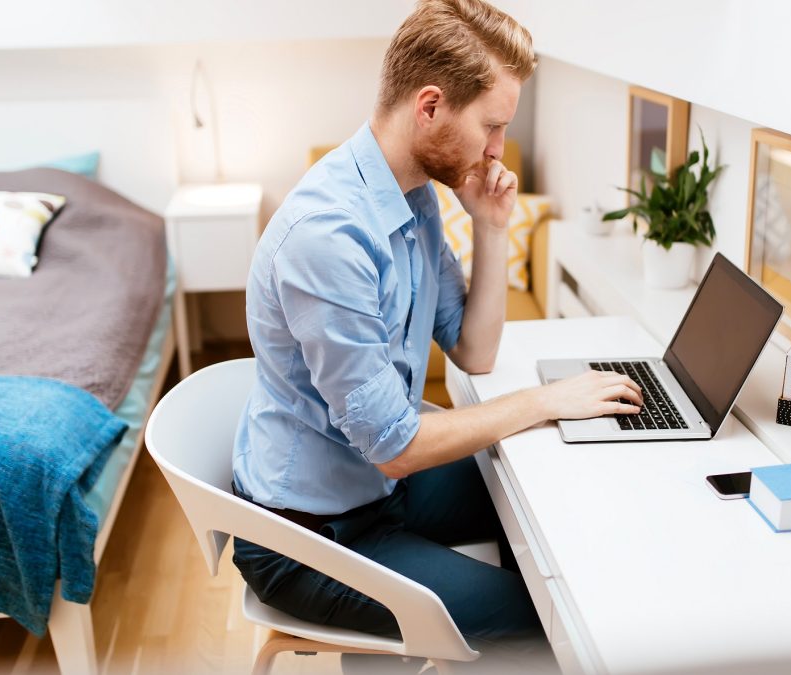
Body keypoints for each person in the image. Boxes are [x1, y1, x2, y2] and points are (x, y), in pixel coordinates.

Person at [231, 0, 642, 670]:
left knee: (548, 498)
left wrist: (490, 223)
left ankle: (408, 644)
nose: (496, 149)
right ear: (429, 106)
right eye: (492, 125)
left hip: (373, 488)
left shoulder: (413, 193)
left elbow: (473, 349)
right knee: (547, 620)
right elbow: (395, 445)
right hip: (311, 537)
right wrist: (544, 398)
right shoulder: (329, 237)